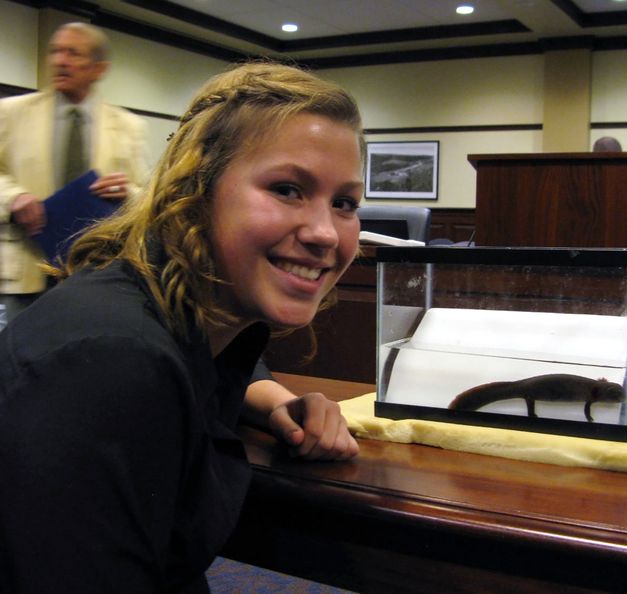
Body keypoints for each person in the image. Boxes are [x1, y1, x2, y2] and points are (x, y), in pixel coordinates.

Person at [0, 61, 362, 592]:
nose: (326, 232)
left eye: (345, 203)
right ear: (195, 188)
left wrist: (271, 400)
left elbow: (205, 356)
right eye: (287, 189)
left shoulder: (177, 303)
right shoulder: (111, 362)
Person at [0, 22, 149, 326]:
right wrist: (14, 198)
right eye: (55, 51)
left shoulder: (128, 126)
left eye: (73, 53)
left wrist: (128, 194)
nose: (59, 61)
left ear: (99, 68)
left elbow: (146, 193)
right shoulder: (10, 113)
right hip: (29, 270)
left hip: (95, 271)